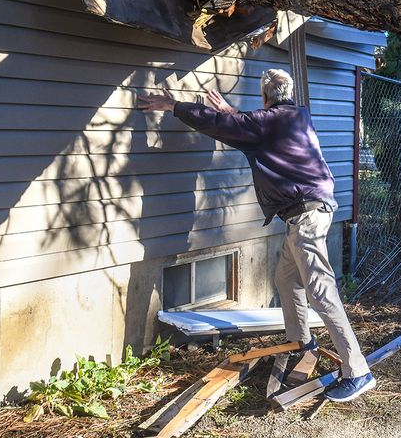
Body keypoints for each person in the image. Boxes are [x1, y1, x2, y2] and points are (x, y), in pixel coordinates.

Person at [138, 69, 376, 402]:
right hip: (309, 212)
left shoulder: (266, 123)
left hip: (305, 216)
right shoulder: (295, 117)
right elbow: (253, 125)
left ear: (265, 98)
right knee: (285, 279)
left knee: (320, 292)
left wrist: (174, 105)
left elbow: (226, 127)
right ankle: (302, 342)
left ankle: (358, 371)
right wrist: (233, 114)